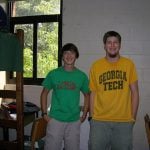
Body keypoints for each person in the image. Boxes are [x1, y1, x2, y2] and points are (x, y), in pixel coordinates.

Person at [88, 31, 139, 150]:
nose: (112, 45)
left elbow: (135, 92)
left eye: (115, 42)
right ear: (104, 46)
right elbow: (93, 93)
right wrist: (91, 117)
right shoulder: (96, 66)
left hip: (124, 122)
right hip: (99, 122)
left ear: (120, 45)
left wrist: (133, 118)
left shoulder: (129, 64)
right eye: (109, 42)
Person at [40, 43, 90, 150]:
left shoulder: (81, 76)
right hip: (55, 120)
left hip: (74, 121)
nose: (69, 56)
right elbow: (44, 93)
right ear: (62, 56)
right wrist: (44, 114)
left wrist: (84, 114)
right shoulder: (53, 74)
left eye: (72, 53)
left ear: (76, 56)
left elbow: (87, 95)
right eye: (66, 53)